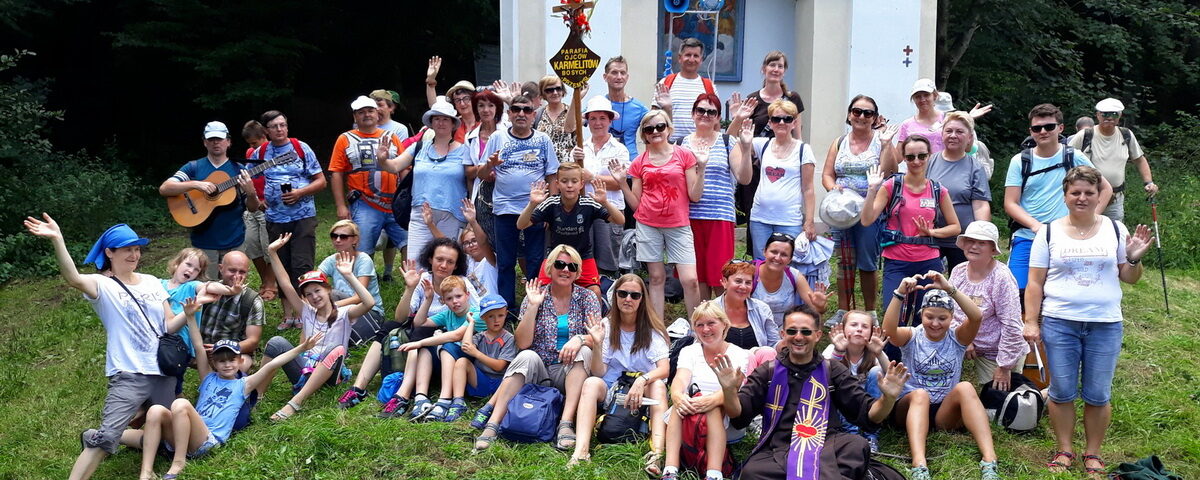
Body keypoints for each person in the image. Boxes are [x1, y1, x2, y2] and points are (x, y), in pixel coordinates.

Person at [22, 218, 191, 480]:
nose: (134, 255)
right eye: (127, 249)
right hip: (129, 374)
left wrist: (189, 313)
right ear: (109, 253)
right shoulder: (103, 285)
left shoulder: (151, 282)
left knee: (169, 440)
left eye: (137, 249)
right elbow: (73, 278)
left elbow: (168, 325)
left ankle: (119, 438)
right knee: (106, 437)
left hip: (163, 372)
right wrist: (58, 239)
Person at [1024, 166, 1152, 477]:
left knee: (1098, 393)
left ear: (1098, 196)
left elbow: (1129, 277)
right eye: (1075, 192)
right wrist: (1031, 321)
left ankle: (1093, 453)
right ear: (1065, 196)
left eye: (1088, 192)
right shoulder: (1048, 232)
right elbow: (1035, 283)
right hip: (1059, 322)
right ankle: (1064, 450)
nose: (1081, 198)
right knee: (1061, 391)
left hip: (1104, 324)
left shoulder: (1115, 229)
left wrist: (1134, 257)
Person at [714, 305, 910, 480]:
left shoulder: (832, 369)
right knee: (752, 472)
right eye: (792, 331)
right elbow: (739, 414)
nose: (798, 337)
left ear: (817, 335)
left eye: (806, 331)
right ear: (783, 334)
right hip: (780, 446)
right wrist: (729, 391)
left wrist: (888, 398)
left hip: (826, 444)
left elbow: (869, 414)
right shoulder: (768, 371)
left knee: (857, 445)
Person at [122, 321, 322, 480]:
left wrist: (301, 348)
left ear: (240, 361)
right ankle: (146, 472)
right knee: (156, 410)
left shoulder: (244, 384)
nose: (227, 365)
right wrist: (190, 317)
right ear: (214, 363)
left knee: (180, 403)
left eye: (231, 360)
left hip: (207, 440)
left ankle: (179, 462)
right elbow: (199, 347)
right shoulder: (208, 378)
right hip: (184, 434)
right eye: (221, 361)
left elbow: (272, 365)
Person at [473, 245, 601, 451]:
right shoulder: (535, 296)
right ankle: (493, 424)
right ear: (550, 268)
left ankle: (566, 423)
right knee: (526, 355)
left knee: (585, 350)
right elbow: (522, 343)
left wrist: (579, 339)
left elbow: (597, 337)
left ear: (578, 273)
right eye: (560, 264)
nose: (565, 270)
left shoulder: (587, 298)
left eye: (572, 266)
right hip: (540, 369)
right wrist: (533, 306)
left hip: (570, 370)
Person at [884, 273, 1000, 480]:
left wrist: (950, 289)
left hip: (943, 412)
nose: (935, 324)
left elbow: (976, 317)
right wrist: (900, 293)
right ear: (922, 314)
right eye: (930, 317)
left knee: (966, 387)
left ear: (951, 317)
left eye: (942, 318)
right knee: (920, 394)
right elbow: (889, 330)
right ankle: (919, 465)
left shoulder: (958, 338)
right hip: (910, 406)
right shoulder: (912, 335)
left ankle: (989, 460)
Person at [861, 136, 961, 352]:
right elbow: (867, 220)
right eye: (910, 157)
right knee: (893, 315)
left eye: (921, 156)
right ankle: (891, 362)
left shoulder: (937, 190)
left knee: (925, 315)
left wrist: (931, 232)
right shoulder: (892, 186)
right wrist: (871, 190)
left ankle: (921, 361)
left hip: (928, 262)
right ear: (904, 158)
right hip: (897, 260)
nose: (916, 161)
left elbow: (955, 227)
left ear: (929, 156)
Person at [259, 236, 376, 421]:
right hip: (306, 370)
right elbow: (285, 283)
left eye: (317, 290)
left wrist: (349, 275)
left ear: (328, 290)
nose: (314, 297)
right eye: (308, 294)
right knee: (275, 342)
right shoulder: (307, 311)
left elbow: (369, 303)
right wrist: (272, 252)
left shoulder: (344, 313)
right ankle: (257, 394)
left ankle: (294, 404)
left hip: (331, 375)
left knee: (336, 349)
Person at [360, 238, 479, 414]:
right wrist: (410, 288)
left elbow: (478, 312)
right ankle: (359, 386)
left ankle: (405, 393)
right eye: (439, 259)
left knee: (421, 332)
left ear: (456, 265)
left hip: (446, 333)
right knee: (389, 326)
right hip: (425, 325)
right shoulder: (423, 279)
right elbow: (401, 318)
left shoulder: (462, 284)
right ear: (430, 259)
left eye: (450, 262)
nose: (444, 265)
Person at [1004, 103, 1111, 293]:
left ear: (1060, 128)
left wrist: (1090, 220)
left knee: (1065, 291)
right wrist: (1036, 226)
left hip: (1066, 238)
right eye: (1037, 128)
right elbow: (1010, 202)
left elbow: (1105, 188)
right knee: (1018, 291)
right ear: (1031, 131)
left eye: (1049, 126)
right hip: (1027, 236)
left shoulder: (1073, 156)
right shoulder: (1020, 161)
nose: (1043, 131)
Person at [568, 275, 670, 471]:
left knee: (658, 385)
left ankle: (656, 454)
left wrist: (641, 381)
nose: (628, 299)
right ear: (615, 296)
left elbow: (664, 369)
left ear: (642, 299)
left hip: (644, 393)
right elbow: (599, 372)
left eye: (634, 295)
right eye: (622, 293)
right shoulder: (607, 325)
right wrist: (597, 344)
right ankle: (581, 451)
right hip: (614, 389)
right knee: (590, 383)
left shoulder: (652, 329)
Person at [614, 110, 704, 320]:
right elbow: (636, 204)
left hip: (678, 223)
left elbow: (695, 195)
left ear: (668, 129)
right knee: (655, 278)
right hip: (648, 223)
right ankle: (657, 329)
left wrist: (702, 168)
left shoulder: (684, 155)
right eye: (649, 129)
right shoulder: (639, 162)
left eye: (660, 126)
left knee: (690, 280)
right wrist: (622, 183)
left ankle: (697, 328)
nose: (655, 131)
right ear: (644, 134)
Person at [478, 94, 560, 312]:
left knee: (535, 260)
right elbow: (481, 174)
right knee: (506, 261)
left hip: (535, 209)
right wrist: (489, 165)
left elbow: (552, 175)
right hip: (504, 208)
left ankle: (534, 308)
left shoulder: (543, 139)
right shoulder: (497, 137)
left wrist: (550, 209)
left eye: (527, 110)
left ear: (533, 115)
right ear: (509, 113)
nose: (521, 114)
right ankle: (506, 310)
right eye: (516, 109)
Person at [822, 95, 899, 324]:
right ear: (849, 114)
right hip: (842, 211)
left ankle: (870, 312)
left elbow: (891, 171)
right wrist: (833, 188)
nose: (862, 117)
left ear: (874, 118)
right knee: (844, 261)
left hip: (869, 209)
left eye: (868, 113)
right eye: (857, 111)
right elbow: (827, 174)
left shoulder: (881, 140)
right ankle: (843, 311)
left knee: (867, 261)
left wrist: (887, 145)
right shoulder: (839, 142)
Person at [251, 110, 327, 330]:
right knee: (281, 265)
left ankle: (305, 313)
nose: (279, 129)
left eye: (282, 125)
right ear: (266, 130)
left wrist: (300, 193)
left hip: (303, 217)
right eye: (274, 126)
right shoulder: (260, 152)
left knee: (302, 264)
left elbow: (321, 181)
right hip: (275, 218)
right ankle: (288, 315)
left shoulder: (301, 148)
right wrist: (258, 200)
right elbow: (248, 180)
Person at [158, 121, 260, 279]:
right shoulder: (193, 167)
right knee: (206, 288)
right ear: (205, 142)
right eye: (211, 139)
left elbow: (253, 208)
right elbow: (165, 188)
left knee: (233, 287)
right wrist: (196, 184)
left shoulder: (239, 170)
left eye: (219, 139)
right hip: (203, 243)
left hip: (234, 241)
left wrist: (251, 193)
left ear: (228, 142)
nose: (216, 142)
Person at [660, 301, 748, 480]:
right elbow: (680, 379)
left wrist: (710, 400)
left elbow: (736, 389)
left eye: (711, 323)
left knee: (713, 408)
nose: (706, 329)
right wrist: (678, 396)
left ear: (724, 324)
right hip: (692, 411)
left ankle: (714, 473)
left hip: (726, 417)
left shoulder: (740, 354)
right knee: (678, 405)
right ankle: (670, 470)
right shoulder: (689, 351)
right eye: (700, 325)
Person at [381, 98, 475, 262]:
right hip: (420, 213)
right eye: (436, 118)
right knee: (415, 263)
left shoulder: (465, 150)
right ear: (431, 123)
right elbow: (394, 166)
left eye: (445, 119)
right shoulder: (418, 147)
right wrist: (382, 159)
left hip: (452, 215)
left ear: (453, 124)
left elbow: (471, 182)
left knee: (447, 261)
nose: (441, 123)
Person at [519, 162, 625, 298]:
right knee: (540, 293)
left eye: (574, 181)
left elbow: (620, 220)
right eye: (564, 181)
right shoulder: (551, 203)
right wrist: (532, 204)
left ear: (581, 184)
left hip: (583, 257)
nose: (569, 185)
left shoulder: (588, 204)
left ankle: (592, 313)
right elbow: (521, 225)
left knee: (595, 292)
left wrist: (605, 202)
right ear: (557, 184)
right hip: (555, 256)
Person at [684, 93, 753, 298]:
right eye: (700, 110)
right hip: (689, 217)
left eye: (711, 112)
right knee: (697, 277)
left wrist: (746, 148)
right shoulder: (681, 143)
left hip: (720, 216)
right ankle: (702, 314)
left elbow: (744, 177)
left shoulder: (727, 141)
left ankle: (723, 314)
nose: (705, 115)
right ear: (693, 114)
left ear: (718, 117)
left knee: (721, 275)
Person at [329, 96, 406, 269]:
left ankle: (411, 281)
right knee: (363, 248)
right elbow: (336, 173)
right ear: (355, 117)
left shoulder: (391, 137)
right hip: (365, 202)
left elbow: (404, 168)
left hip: (395, 203)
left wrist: (407, 196)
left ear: (377, 114)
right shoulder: (345, 139)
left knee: (409, 244)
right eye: (361, 112)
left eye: (370, 111)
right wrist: (341, 206)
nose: (367, 115)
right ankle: (364, 280)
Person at [948, 221, 1026, 391]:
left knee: (999, 401)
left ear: (992, 249)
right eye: (970, 241)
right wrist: (963, 338)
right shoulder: (958, 271)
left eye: (981, 243)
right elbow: (948, 311)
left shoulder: (1001, 277)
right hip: (962, 343)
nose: (974, 246)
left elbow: (1012, 324)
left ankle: (1046, 394)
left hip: (998, 351)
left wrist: (1004, 366)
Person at [394, 275, 482, 421]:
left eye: (459, 296)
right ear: (443, 301)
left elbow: (456, 335)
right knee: (427, 349)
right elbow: (419, 323)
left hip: (470, 363)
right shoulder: (448, 314)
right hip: (450, 360)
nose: (455, 301)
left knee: (446, 346)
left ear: (467, 295)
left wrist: (420, 342)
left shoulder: (476, 313)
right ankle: (421, 398)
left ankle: (445, 399)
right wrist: (428, 299)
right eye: (449, 299)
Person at [160, 248, 239, 393]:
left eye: (196, 269)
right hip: (159, 337)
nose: (191, 270)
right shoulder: (159, 284)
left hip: (179, 343)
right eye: (188, 264)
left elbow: (210, 286)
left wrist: (230, 290)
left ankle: (177, 398)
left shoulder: (191, 286)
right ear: (177, 263)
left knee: (174, 380)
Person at [1067, 97, 1158, 222]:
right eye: (1105, 114)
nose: (1109, 118)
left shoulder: (1126, 135)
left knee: (1114, 230)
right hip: (1086, 197)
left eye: (1114, 114)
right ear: (1098, 115)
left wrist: (1149, 182)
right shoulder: (1085, 135)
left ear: (1119, 116)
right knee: (1084, 227)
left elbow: (1139, 160)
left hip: (1115, 198)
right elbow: (1065, 158)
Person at [747, 99, 817, 260]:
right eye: (776, 119)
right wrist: (738, 117)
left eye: (787, 119)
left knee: (786, 265)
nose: (781, 123)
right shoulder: (761, 144)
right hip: (760, 219)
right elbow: (733, 143)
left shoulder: (803, 149)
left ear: (794, 123)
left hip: (789, 220)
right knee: (761, 264)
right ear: (770, 123)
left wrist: (809, 221)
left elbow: (808, 189)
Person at [926, 111, 992, 272]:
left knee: (961, 283)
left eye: (959, 132)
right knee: (928, 282)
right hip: (931, 237)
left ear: (969, 137)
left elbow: (980, 205)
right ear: (942, 134)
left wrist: (981, 238)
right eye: (949, 131)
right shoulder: (929, 161)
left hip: (962, 241)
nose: (953, 135)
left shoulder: (975, 167)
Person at [575, 95, 630, 276]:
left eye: (602, 118)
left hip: (610, 210)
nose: (597, 123)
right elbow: (571, 181)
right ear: (587, 121)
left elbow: (619, 184)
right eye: (593, 118)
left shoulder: (619, 149)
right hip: (584, 210)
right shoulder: (579, 148)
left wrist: (591, 177)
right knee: (584, 261)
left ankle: (607, 292)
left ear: (610, 120)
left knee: (608, 263)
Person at [823, 310, 890, 451]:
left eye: (865, 326)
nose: (859, 329)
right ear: (843, 329)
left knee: (876, 371)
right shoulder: (832, 349)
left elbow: (891, 376)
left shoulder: (873, 351)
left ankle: (871, 435)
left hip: (868, 404)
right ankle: (851, 435)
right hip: (842, 406)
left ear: (871, 332)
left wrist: (879, 353)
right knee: (840, 379)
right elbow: (823, 377)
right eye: (853, 325)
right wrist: (838, 352)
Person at [198, 251, 264, 374]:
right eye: (232, 270)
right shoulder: (208, 289)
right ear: (221, 269)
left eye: (242, 272)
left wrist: (222, 348)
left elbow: (253, 341)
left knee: (242, 365)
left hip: (231, 352)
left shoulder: (252, 300)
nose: (236, 276)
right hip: (199, 349)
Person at [318, 220, 386, 333]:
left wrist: (331, 306)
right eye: (334, 236)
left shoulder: (364, 260)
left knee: (331, 295)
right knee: (325, 293)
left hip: (369, 310)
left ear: (355, 240)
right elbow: (313, 281)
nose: (337, 240)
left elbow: (359, 298)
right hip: (345, 308)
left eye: (343, 237)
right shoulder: (331, 260)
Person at [455, 294, 517, 414]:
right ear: (483, 317)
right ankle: (458, 401)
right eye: (490, 316)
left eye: (500, 315)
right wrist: (471, 323)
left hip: (500, 385)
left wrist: (476, 353)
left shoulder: (509, 338)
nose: (496, 320)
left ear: (506, 314)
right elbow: (466, 346)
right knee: (462, 362)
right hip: (480, 380)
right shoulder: (480, 336)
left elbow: (499, 366)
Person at [752, 232, 830, 326]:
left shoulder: (794, 276)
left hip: (785, 331)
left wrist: (820, 306)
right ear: (764, 251)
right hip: (753, 328)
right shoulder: (750, 272)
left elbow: (816, 310)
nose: (777, 258)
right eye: (774, 252)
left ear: (790, 259)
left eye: (784, 255)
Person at [898, 79, 992, 154]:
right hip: (917, 170)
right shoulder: (907, 125)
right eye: (918, 96)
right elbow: (898, 158)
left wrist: (969, 120)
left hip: (947, 170)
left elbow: (968, 149)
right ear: (913, 99)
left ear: (935, 96)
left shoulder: (949, 119)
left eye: (926, 95)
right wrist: (889, 143)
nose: (922, 99)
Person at [239, 120, 277, 301]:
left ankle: (271, 284)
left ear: (264, 137)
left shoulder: (274, 154)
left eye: (254, 143)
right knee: (252, 245)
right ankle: (265, 281)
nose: (252, 148)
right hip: (252, 205)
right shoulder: (250, 154)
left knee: (268, 247)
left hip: (268, 207)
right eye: (249, 144)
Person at [656, 37, 719, 143]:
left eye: (696, 56)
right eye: (688, 55)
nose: (691, 59)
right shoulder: (665, 83)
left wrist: (715, 144)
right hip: (670, 146)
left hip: (700, 145)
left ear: (701, 60)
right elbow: (654, 117)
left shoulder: (709, 86)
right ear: (680, 58)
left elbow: (716, 122)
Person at [466, 89, 506, 244]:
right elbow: (468, 171)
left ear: (497, 108)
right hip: (482, 194)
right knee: (485, 238)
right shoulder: (470, 137)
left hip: (506, 191)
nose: (486, 110)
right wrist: (484, 170)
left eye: (490, 105)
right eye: (481, 105)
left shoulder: (507, 131)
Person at [713, 261, 779, 350]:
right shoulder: (710, 310)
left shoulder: (762, 308)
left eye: (748, 283)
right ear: (725, 282)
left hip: (758, 358)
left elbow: (773, 343)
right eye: (738, 281)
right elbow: (701, 345)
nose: (743, 287)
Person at [744, 51, 806, 138]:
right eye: (772, 65)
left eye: (780, 66)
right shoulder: (752, 99)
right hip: (759, 147)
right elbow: (744, 134)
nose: (776, 69)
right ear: (764, 69)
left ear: (784, 71)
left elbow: (797, 136)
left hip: (786, 147)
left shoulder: (793, 98)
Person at [601, 56, 650, 160]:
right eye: (614, 72)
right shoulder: (598, 105)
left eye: (622, 73)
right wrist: (576, 98)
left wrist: (666, 107)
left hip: (630, 163)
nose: (619, 77)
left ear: (627, 77)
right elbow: (570, 127)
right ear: (605, 77)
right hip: (603, 162)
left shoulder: (638, 108)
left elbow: (660, 128)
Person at [424, 55, 478, 142]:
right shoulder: (453, 124)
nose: (462, 103)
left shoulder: (485, 121)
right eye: (457, 100)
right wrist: (431, 81)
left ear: (474, 99)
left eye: (466, 99)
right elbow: (434, 107)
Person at [534, 74, 579, 162]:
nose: (555, 92)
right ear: (543, 93)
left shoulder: (571, 112)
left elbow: (578, 142)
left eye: (558, 88)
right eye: (549, 90)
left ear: (563, 91)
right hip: (543, 166)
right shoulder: (537, 115)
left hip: (567, 166)